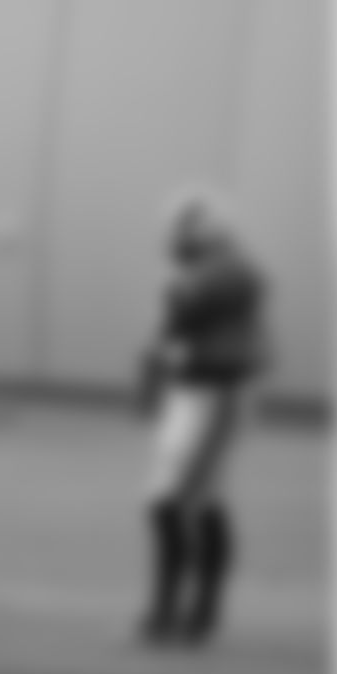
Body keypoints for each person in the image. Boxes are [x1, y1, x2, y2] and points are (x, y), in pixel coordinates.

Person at [138, 188, 271, 648]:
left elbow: (184, 317)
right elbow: (172, 329)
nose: (173, 235)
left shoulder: (230, 269)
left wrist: (177, 284)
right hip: (193, 390)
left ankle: (182, 614)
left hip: (219, 393)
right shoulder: (202, 268)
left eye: (182, 226)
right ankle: (183, 614)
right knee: (183, 499)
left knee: (177, 499)